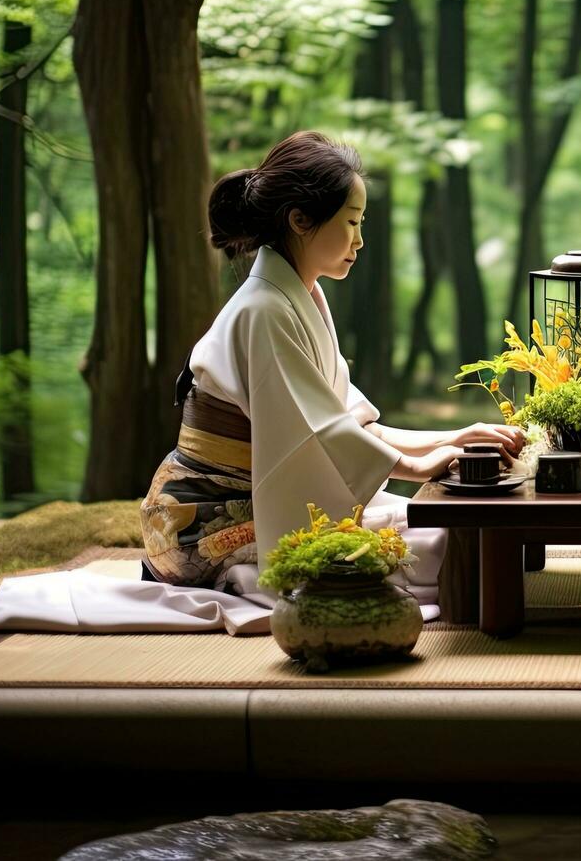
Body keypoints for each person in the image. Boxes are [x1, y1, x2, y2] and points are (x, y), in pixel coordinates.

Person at [140, 131, 524, 601]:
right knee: (443, 546)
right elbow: (321, 435)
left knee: (462, 533)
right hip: (206, 525)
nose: (359, 240)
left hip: (250, 504)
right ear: (300, 220)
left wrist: (453, 437)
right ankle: (241, 578)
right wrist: (421, 468)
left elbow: (346, 425)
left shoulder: (301, 296)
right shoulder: (264, 309)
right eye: (351, 222)